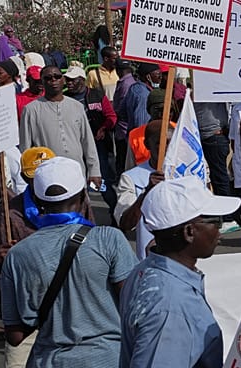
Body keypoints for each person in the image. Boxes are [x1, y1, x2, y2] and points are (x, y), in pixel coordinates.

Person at [0, 157, 138, 368]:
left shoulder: (17, 255)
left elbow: (15, 335)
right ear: (83, 197)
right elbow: (133, 308)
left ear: (36, 200)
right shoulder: (109, 240)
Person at [117, 176, 240, 368]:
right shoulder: (169, 305)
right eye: (215, 222)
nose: (220, 231)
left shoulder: (145, 271)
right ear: (188, 232)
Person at [0, 148, 96, 368]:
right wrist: (4, 256)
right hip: (30, 312)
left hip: (72, 306)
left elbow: (88, 239)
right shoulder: (9, 210)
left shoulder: (81, 203)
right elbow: (4, 264)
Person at [19, 66, 102, 186]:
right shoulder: (31, 110)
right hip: (48, 175)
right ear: (42, 82)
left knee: (81, 204)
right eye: (48, 78)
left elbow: (87, 141)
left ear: (62, 80)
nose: (53, 81)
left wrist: (94, 171)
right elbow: (25, 148)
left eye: (57, 77)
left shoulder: (76, 107)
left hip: (76, 171)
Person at [64, 65, 118, 216]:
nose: (69, 83)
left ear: (82, 80)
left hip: (97, 146)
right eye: (67, 80)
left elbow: (111, 116)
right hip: (75, 147)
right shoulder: (64, 98)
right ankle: (82, 217)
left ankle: (115, 213)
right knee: (78, 183)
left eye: (73, 80)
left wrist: (103, 129)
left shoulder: (97, 95)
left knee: (101, 182)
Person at [114, 120, 169, 258]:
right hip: (150, 262)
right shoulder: (131, 178)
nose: (166, 148)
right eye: (159, 143)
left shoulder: (186, 173)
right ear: (147, 145)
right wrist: (147, 193)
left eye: (170, 142)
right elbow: (125, 223)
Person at [194, 101, 240, 233]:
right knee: (215, 178)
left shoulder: (210, 87)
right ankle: (223, 215)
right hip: (208, 136)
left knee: (220, 178)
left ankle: (229, 218)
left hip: (215, 136)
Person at [122, 63, 160, 137]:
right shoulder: (144, 95)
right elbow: (142, 123)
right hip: (142, 139)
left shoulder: (133, 88)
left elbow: (122, 112)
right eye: (157, 74)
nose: (160, 77)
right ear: (148, 77)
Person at [113, 58, 136, 174]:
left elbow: (121, 108)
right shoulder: (129, 82)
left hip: (124, 129)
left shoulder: (125, 84)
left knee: (123, 162)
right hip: (123, 128)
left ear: (117, 70)